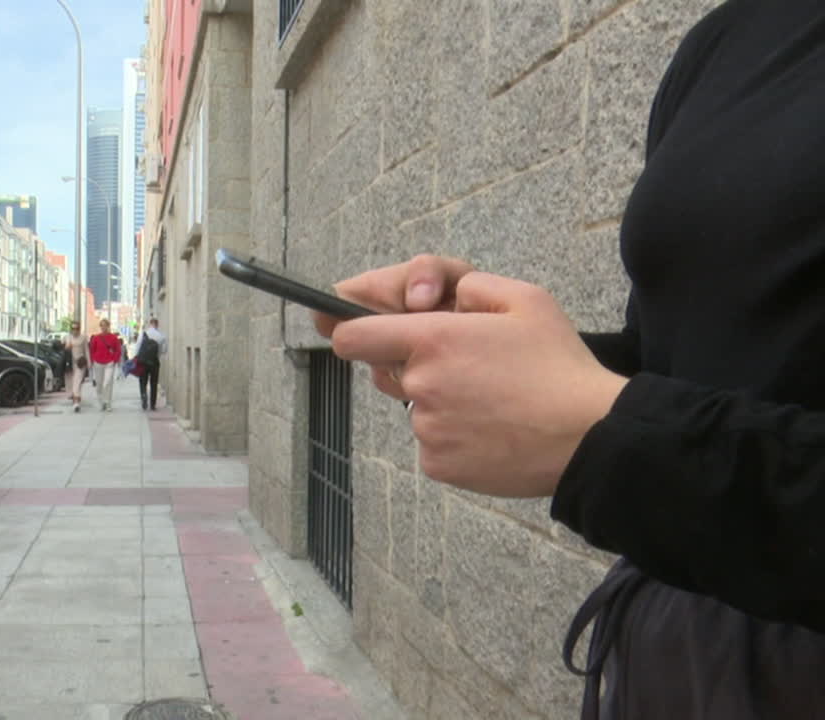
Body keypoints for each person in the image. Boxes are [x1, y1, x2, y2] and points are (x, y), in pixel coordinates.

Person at [315, 3, 825, 717]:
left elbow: (638, 419)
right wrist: (484, 351)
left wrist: (603, 428)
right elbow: (668, 367)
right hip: (667, 651)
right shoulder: (727, 40)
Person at [88, 318, 122, 412]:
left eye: (105, 325)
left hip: (109, 363)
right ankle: (101, 402)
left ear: (108, 326)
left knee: (107, 383)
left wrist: (114, 360)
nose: (103, 327)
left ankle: (108, 403)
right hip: (98, 363)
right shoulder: (96, 338)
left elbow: (118, 350)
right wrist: (92, 361)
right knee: (99, 384)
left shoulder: (113, 338)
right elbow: (91, 350)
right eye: (102, 325)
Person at [136, 318, 166, 411]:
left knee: (142, 381)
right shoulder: (161, 336)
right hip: (154, 362)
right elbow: (164, 351)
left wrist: (137, 358)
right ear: (157, 325)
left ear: (150, 324)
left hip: (143, 361)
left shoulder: (143, 334)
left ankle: (144, 395)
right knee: (154, 383)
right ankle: (152, 404)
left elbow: (138, 347)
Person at [62, 320, 89, 412]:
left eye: (77, 328)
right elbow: (63, 349)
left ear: (79, 329)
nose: (75, 330)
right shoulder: (67, 337)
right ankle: (75, 397)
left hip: (80, 363)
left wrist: (89, 363)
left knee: (77, 382)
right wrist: (67, 346)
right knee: (71, 382)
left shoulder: (83, 337)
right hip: (69, 363)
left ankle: (76, 403)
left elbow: (86, 350)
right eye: (73, 328)